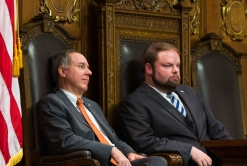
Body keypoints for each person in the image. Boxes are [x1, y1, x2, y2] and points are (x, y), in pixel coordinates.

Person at [38, 49, 167, 166]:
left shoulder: (92, 106)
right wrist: (110, 150)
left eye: (88, 67)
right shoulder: (52, 103)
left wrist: (128, 152)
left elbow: (113, 139)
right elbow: (65, 141)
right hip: (91, 162)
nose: (89, 72)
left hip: (117, 162)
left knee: (157, 161)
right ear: (62, 71)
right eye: (81, 66)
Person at [119, 42, 232, 166]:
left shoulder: (190, 92)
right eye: (168, 66)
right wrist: (189, 150)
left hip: (216, 161)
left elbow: (216, 129)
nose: (176, 70)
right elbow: (144, 142)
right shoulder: (134, 103)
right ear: (149, 69)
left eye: (177, 65)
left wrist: (237, 152)